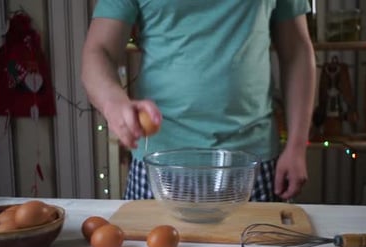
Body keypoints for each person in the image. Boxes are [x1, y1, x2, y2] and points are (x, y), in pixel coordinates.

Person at [81, 0, 316, 202]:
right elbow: (98, 50)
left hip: (252, 162)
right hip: (159, 163)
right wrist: (113, 103)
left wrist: (296, 146)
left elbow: (296, 51)